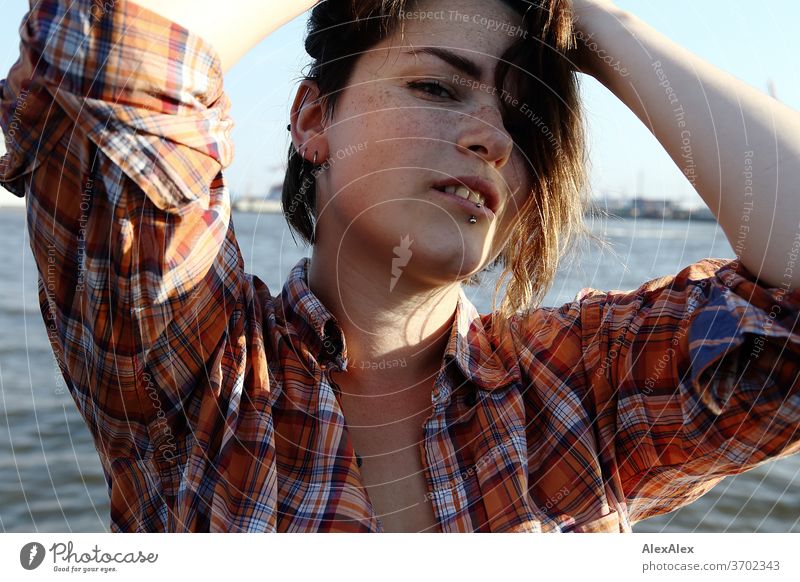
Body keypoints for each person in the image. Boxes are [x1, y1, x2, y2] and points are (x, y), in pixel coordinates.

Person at [0, 0, 798, 533]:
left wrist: (594, 20)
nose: (492, 137)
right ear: (314, 121)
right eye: (435, 86)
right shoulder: (199, 372)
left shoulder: (578, 391)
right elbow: (108, 59)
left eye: (525, 118)